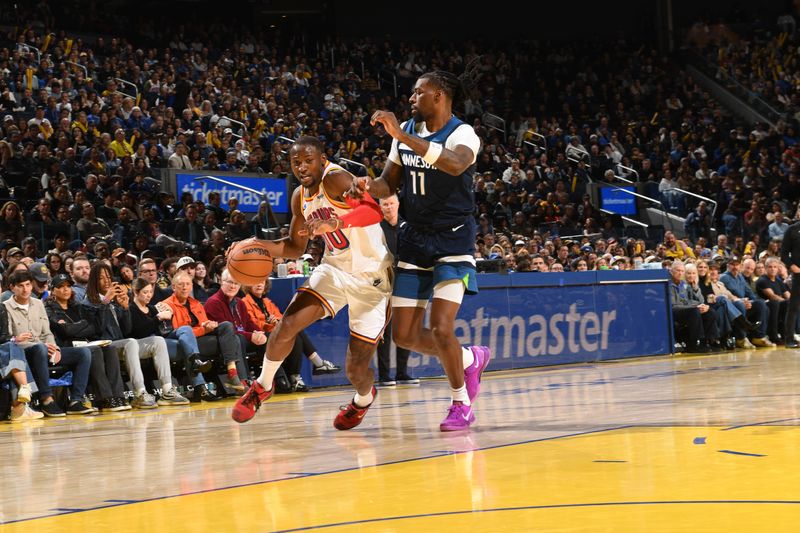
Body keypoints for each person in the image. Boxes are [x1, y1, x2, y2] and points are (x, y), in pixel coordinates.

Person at [354, 69, 491, 431]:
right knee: (405, 335)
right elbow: (387, 184)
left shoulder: (463, 133)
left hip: (452, 240)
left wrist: (400, 135)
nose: (412, 99)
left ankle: (460, 404)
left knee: (442, 327)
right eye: (412, 94)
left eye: (418, 93)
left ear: (439, 98)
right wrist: (366, 186)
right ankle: (468, 358)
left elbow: (455, 163)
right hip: (414, 238)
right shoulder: (406, 137)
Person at [231, 135, 391, 429]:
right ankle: (263, 385)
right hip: (334, 270)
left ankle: (363, 400)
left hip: (373, 279)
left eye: (308, 161)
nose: (302, 167)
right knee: (287, 324)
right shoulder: (299, 197)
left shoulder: (337, 179)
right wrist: (258, 246)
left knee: (356, 370)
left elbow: (373, 212)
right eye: (295, 163)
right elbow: (294, 247)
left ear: (322, 160)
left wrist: (335, 223)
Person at [81, 262, 174, 408]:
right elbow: (97, 329)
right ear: (94, 281)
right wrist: (105, 302)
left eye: (108, 277)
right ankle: (140, 393)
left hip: (123, 344)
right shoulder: (88, 303)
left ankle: (168, 390)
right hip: (105, 346)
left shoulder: (114, 300)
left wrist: (125, 308)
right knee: (131, 342)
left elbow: (127, 330)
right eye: (101, 278)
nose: (106, 281)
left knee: (158, 340)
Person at [4, 269, 94, 415]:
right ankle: (47, 399)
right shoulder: (5, 307)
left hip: (45, 348)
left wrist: (55, 348)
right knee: (40, 348)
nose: (25, 289)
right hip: (24, 352)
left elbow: (47, 332)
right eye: (20, 286)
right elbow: (8, 339)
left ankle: (76, 400)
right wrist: (37, 344)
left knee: (84, 353)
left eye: (28, 284)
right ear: (12, 287)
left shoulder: (38, 304)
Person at [45, 273, 130, 411]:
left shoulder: (77, 307)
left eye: (68, 286)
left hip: (86, 343)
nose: (65, 289)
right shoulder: (49, 310)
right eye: (61, 287)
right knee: (94, 351)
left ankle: (118, 396)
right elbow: (65, 332)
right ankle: (105, 399)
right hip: (67, 348)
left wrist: (74, 327)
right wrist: (81, 325)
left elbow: (94, 328)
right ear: (53, 290)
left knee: (110, 348)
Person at [241, 278, 340, 389]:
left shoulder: (267, 302)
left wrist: (276, 322)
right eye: (255, 282)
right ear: (249, 285)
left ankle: (296, 376)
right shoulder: (245, 302)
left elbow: (280, 317)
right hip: (260, 336)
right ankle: (316, 363)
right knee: (293, 330)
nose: (259, 285)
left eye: (262, 282)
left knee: (295, 332)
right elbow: (252, 324)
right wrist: (269, 324)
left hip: (273, 331)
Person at [164, 270, 248, 393]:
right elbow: (179, 330)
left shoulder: (196, 303)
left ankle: (233, 373)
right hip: (182, 340)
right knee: (186, 330)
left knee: (227, 327)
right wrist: (204, 329)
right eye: (181, 284)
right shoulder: (166, 304)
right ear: (173, 287)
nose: (184, 287)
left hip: (201, 338)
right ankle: (203, 374)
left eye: (187, 284)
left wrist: (209, 325)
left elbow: (204, 323)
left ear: (192, 286)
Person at [376, 194, 417, 386]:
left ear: (398, 204)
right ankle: (385, 375)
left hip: (405, 282)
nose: (389, 207)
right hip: (383, 285)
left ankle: (402, 372)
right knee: (384, 331)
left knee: (405, 329)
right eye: (385, 204)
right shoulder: (375, 229)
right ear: (380, 206)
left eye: (392, 203)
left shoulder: (407, 227)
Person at [0, 303, 43, 420]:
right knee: (12, 347)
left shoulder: (1, 308)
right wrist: (14, 339)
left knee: (13, 349)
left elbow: (3, 336)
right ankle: (24, 392)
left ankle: (22, 399)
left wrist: (14, 339)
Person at [755, 257, 791, 345]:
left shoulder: (778, 280)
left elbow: (787, 295)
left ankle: (786, 335)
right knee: (776, 304)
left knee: (790, 304)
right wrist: (786, 301)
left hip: (779, 304)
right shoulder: (762, 280)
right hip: (766, 305)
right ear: (766, 268)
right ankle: (773, 336)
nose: (773, 269)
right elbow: (772, 296)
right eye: (770, 267)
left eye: (775, 267)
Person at [781, 218, 800, 348]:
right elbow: (784, 254)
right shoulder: (792, 229)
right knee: (794, 307)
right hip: (799, 273)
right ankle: (789, 339)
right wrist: (792, 266)